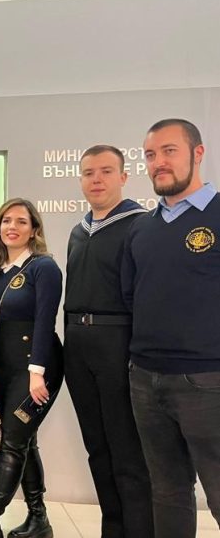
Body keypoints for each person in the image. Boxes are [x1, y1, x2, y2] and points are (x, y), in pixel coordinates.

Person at [122, 119, 220, 538]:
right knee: (167, 492)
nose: (158, 162)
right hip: (145, 380)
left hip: (208, 381)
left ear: (197, 153)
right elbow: (132, 297)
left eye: (169, 151)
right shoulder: (142, 227)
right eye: (150, 154)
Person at [64, 145, 152, 538]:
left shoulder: (139, 224)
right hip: (78, 346)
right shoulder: (78, 231)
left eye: (105, 171)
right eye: (88, 173)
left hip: (117, 343)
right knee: (97, 448)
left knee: (127, 450)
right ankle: (112, 529)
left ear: (123, 176)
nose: (96, 180)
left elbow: (145, 297)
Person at [0, 198, 63, 538]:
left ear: (34, 229)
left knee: (12, 442)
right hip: (5, 366)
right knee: (24, 440)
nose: (13, 227)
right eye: (7, 220)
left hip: (36, 367)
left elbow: (45, 321)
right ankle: (39, 520)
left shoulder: (43, 267)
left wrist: (37, 373)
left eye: (21, 221)